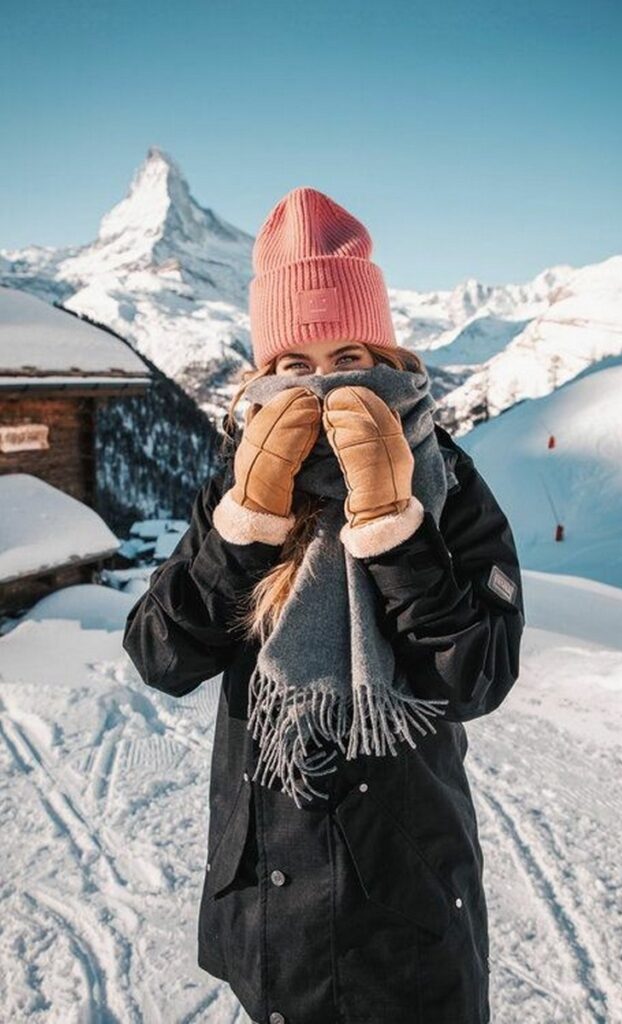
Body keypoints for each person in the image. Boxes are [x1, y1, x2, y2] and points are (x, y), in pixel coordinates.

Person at [122, 186, 525, 1024]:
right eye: (294, 366)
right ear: (262, 377)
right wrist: (244, 526)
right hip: (268, 905)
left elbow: (476, 679)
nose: (324, 384)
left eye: (347, 356)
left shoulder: (448, 485)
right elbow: (160, 656)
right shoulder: (234, 485)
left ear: (386, 355)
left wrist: (395, 529)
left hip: (406, 905)